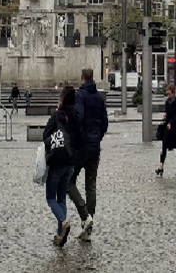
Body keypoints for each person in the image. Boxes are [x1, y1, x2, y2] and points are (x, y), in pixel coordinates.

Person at [68, 68, 108, 242]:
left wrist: (77, 138)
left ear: (82, 77)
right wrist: (97, 137)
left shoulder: (80, 95)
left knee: (69, 181)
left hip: (81, 147)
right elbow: (105, 122)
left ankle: (85, 216)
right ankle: (88, 227)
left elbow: (78, 118)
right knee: (91, 185)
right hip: (95, 147)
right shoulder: (99, 98)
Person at [43, 85, 83, 247]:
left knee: (51, 198)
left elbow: (45, 135)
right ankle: (61, 235)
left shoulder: (57, 116)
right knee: (62, 199)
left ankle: (63, 222)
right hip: (70, 162)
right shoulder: (75, 116)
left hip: (57, 161)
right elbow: (80, 138)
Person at [156, 83, 176, 177]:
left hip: (174, 127)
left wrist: (171, 123)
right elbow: (168, 112)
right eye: (167, 94)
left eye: (169, 94)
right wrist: (166, 117)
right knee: (164, 146)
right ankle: (161, 166)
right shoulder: (167, 102)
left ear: (173, 93)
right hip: (167, 127)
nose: (168, 95)